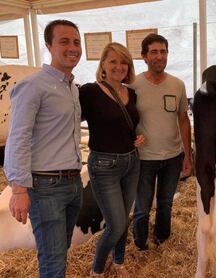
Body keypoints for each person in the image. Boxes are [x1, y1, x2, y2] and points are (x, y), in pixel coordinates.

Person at [4, 19, 83, 278]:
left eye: (76, 42)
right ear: (48, 45)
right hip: (47, 186)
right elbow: (18, 138)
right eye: (64, 41)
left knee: (59, 253)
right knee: (53, 261)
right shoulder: (32, 85)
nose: (72, 47)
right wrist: (18, 189)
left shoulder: (71, 87)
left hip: (72, 183)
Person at [79, 42, 144, 278]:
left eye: (123, 62)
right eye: (113, 61)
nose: (119, 66)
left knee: (123, 219)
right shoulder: (89, 91)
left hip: (132, 162)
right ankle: (96, 270)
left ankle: (118, 263)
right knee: (116, 224)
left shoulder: (132, 92)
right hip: (104, 166)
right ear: (103, 65)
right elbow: (69, 119)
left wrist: (138, 138)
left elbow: (127, 126)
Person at [131, 33, 192, 251]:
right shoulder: (132, 85)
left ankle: (162, 239)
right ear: (144, 56)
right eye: (154, 52)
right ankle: (140, 243)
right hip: (144, 158)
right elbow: (124, 120)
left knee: (166, 203)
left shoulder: (178, 85)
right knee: (142, 206)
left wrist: (187, 155)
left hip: (173, 157)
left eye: (163, 51)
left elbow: (184, 120)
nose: (159, 56)